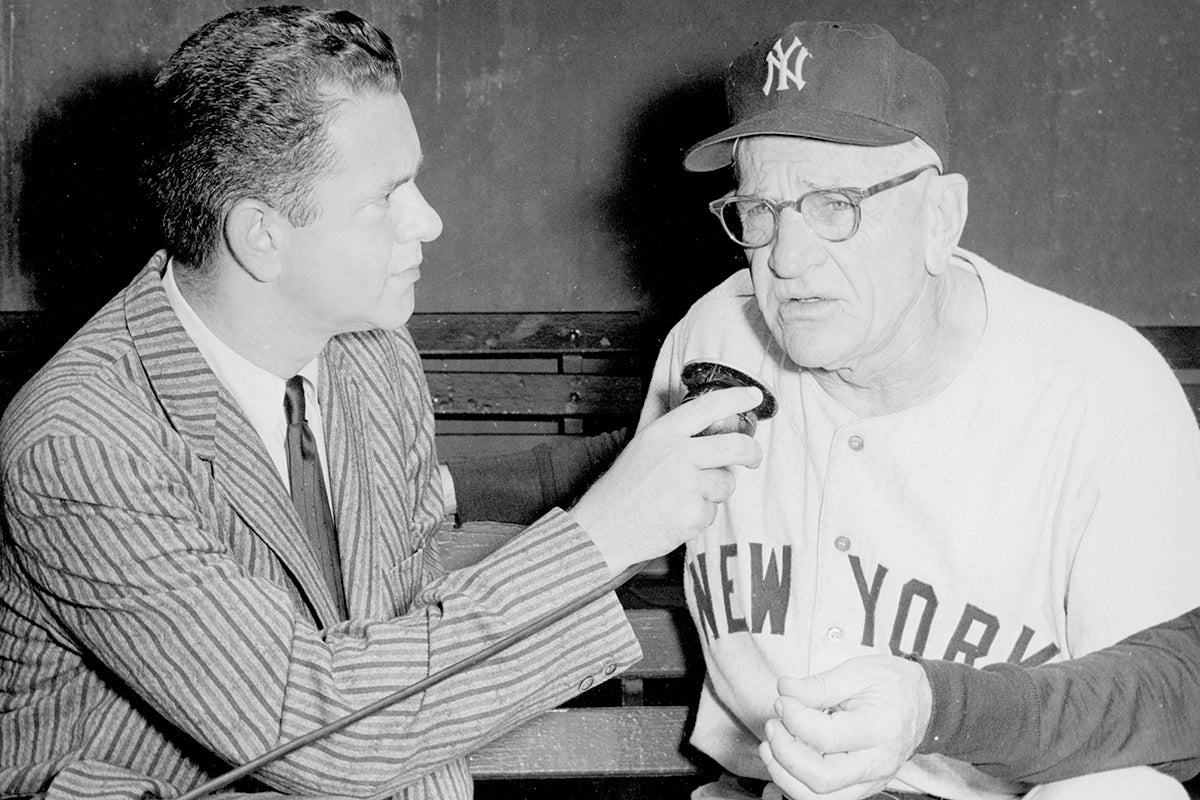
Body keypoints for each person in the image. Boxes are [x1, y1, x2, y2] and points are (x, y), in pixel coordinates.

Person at [0, 7, 765, 800]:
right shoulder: (80, 441)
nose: (428, 221)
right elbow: (313, 729)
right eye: (385, 197)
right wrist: (604, 536)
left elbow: (406, 643)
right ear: (260, 236)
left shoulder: (372, 357)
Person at [637, 19, 1200, 800]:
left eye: (835, 204)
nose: (786, 260)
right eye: (760, 209)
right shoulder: (716, 335)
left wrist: (941, 709)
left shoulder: (1100, 391)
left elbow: (1178, 695)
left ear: (940, 218)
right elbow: (627, 492)